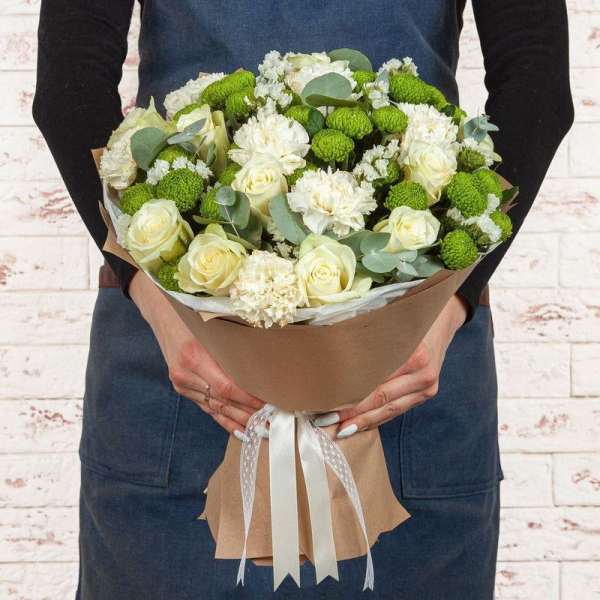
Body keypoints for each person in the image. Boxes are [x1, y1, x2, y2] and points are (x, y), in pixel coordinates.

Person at [33, 1, 574, 598]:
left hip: (410, 364)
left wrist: (445, 310)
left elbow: (535, 79)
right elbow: (72, 81)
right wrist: (162, 309)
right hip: (179, 359)